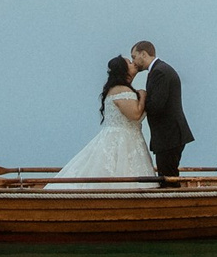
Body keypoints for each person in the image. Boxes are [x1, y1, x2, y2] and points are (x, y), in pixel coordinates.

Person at [51, 55, 156, 185]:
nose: (133, 63)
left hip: (130, 138)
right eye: (129, 62)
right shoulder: (121, 89)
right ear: (123, 70)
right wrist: (143, 95)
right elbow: (135, 114)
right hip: (121, 140)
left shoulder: (119, 89)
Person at [129, 41, 193, 187]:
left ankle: (173, 208)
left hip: (169, 136)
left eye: (134, 57)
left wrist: (141, 98)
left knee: (168, 180)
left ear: (143, 54)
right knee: (169, 177)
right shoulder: (160, 70)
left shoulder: (159, 72)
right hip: (170, 135)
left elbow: (156, 105)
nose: (133, 61)